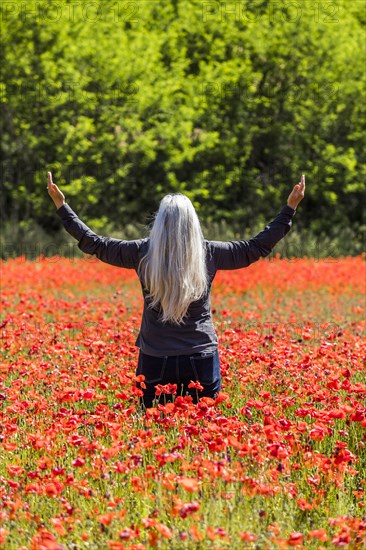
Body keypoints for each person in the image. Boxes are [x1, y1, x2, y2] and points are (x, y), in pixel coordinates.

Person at [47, 171, 305, 408]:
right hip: (200, 356)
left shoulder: (141, 252)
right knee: (203, 436)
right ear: (193, 223)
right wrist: (289, 209)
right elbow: (254, 248)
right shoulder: (209, 252)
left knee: (154, 435)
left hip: (155, 357)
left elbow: (96, 244)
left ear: (159, 223)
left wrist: (62, 207)